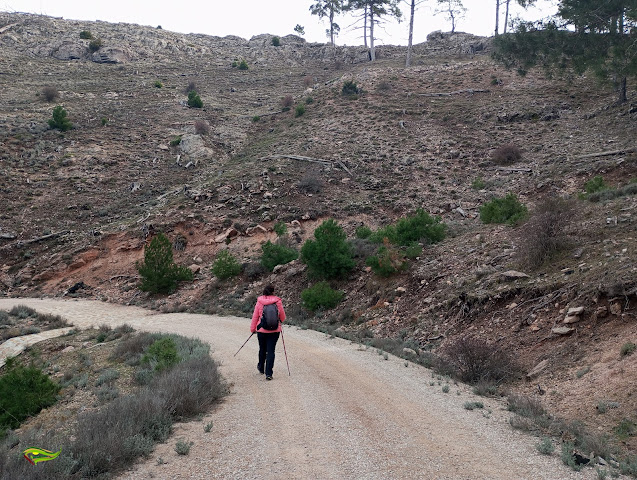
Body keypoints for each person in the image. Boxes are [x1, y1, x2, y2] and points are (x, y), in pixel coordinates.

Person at [250, 284, 286, 380]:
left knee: (262, 349)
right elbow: (282, 316)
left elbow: (255, 317)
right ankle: (269, 373)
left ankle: (261, 367)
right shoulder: (277, 301)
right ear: (273, 292)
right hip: (275, 331)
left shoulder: (260, 302)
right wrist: (280, 321)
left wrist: (253, 329)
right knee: (271, 351)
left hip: (261, 330)